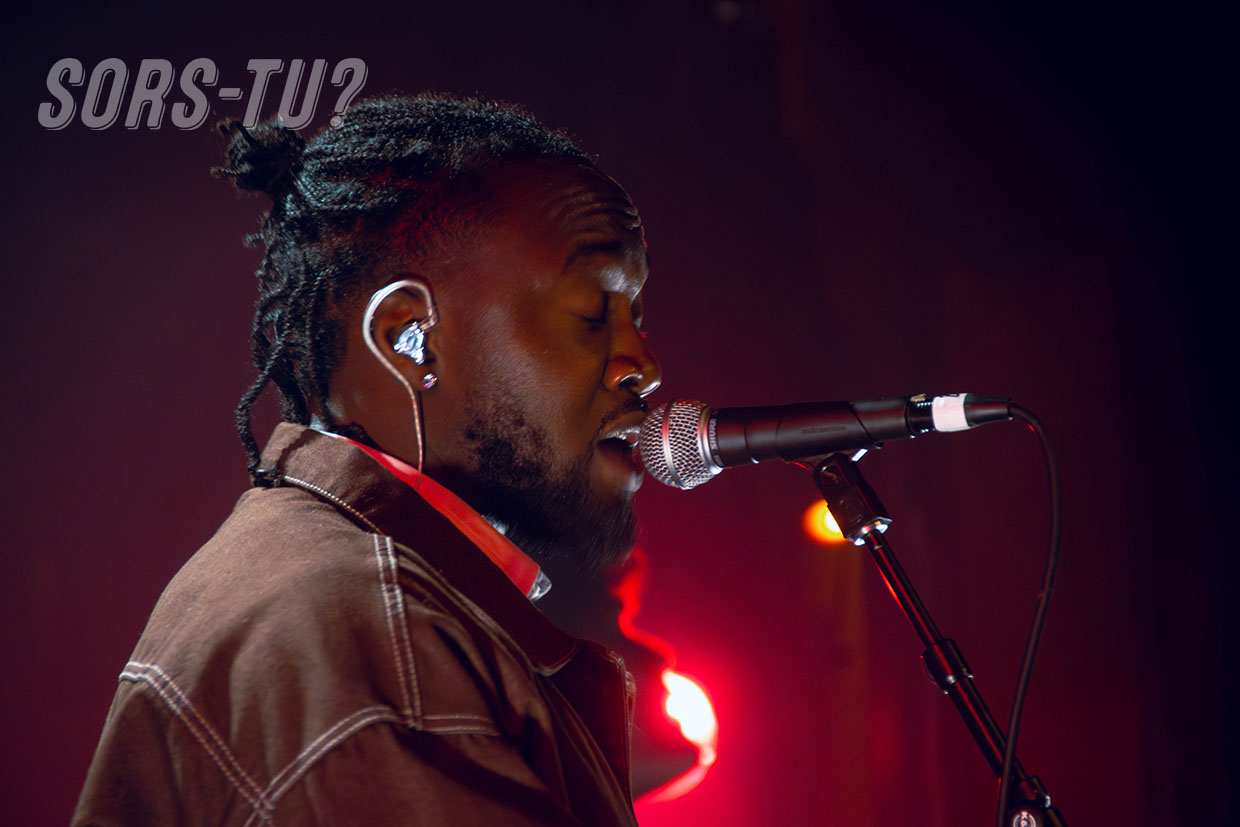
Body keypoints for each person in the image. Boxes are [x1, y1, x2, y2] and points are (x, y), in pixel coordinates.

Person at [73, 93, 662, 826]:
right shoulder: (368, 639)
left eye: (637, 315)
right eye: (592, 311)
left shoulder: (357, 599)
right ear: (410, 338)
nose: (644, 365)